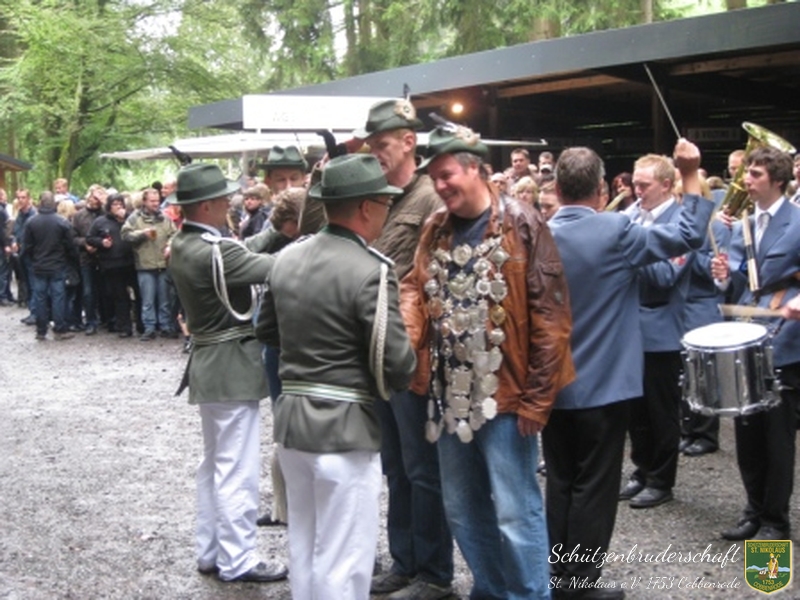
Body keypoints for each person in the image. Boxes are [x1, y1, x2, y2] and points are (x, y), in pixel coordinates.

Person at [401, 125, 575, 599]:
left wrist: (538, 399)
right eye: (435, 178)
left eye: (447, 175)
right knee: (461, 507)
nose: (440, 186)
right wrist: (409, 335)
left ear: (475, 169)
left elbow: (552, 317)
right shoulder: (435, 226)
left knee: (515, 509)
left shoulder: (522, 222)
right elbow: (414, 285)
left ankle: (529, 595)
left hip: (507, 395)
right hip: (449, 392)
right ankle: (493, 590)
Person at [545, 142, 713, 599]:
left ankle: (557, 574)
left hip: (552, 384)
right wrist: (690, 174)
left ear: (556, 188)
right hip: (603, 384)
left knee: (560, 481)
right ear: (601, 189)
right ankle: (580, 583)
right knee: (594, 486)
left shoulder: (537, 233)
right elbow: (688, 235)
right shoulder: (617, 229)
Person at [255, 153, 416, 599]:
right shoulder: (372, 269)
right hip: (346, 429)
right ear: (365, 207)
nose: (387, 210)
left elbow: (265, 330)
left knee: (305, 547)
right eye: (384, 203)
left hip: (293, 425)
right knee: (344, 558)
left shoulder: (286, 258)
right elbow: (398, 363)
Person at [350, 99, 453, 600]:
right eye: (371, 145)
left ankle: (434, 573)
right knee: (395, 466)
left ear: (409, 142)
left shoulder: (431, 196)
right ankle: (405, 562)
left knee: (422, 469)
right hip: (379, 351)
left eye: (383, 144)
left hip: (415, 353)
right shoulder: (380, 197)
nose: (376, 152)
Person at [168, 162, 287, 583]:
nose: (229, 203)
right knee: (237, 469)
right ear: (206, 205)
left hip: (209, 364)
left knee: (214, 465)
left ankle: (211, 551)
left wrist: (276, 229)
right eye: (222, 199)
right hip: (231, 366)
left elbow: (241, 251)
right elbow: (272, 268)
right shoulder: (215, 251)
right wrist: (315, 244)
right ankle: (239, 559)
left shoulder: (186, 242)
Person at [711, 146, 800, 541]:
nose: (746, 180)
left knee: (776, 437)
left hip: (784, 340)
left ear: (777, 180)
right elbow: (737, 284)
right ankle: (753, 510)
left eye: (756, 174)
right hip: (744, 336)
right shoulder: (742, 225)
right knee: (746, 433)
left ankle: (775, 521)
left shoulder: (797, 221)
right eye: (747, 172)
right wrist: (720, 276)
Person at [619, 153, 696, 509]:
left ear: (666, 185)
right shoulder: (632, 216)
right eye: (635, 184)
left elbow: (666, 275)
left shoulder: (681, 222)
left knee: (661, 410)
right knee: (635, 410)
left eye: (644, 185)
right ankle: (642, 468)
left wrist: (630, 249)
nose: (637, 191)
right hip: (629, 327)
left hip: (661, 330)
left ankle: (662, 479)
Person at [121, 187, 178, 340]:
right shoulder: (134, 218)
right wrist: (142, 234)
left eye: (157, 201)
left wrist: (170, 245)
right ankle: (149, 328)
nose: (156, 204)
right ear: (144, 202)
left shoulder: (165, 218)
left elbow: (175, 234)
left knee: (165, 299)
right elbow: (125, 235)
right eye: (152, 201)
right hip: (145, 265)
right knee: (148, 300)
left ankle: (165, 326)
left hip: (163, 263)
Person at [21, 191, 79, 341]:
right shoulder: (62, 222)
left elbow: (27, 246)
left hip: (39, 265)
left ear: (40, 202)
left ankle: (41, 330)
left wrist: (33, 260)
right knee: (58, 296)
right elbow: (71, 246)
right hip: (58, 265)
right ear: (54, 203)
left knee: (40, 297)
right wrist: (71, 259)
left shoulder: (31, 222)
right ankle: (59, 328)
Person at [87, 194, 138, 338]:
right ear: (109, 206)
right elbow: (90, 238)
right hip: (112, 264)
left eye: (121, 204)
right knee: (120, 297)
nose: (118, 207)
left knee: (138, 294)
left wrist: (126, 218)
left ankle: (142, 325)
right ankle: (124, 327)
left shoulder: (130, 218)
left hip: (131, 262)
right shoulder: (100, 221)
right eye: (115, 204)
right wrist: (101, 242)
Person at [72, 186, 106, 335]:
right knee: (88, 291)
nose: (95, 201)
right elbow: (72, 237)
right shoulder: (79, 216)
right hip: (86, 259)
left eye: (98, 198)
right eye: (94, 197)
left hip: (105, 257)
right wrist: (85, 244)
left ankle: (107, 318)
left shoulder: (106, 214)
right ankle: (91, 321)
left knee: (106, 290)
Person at [12, 189, 38, 323]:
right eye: (18, 197)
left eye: (23, 197)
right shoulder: (20, 215)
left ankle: (35, 313)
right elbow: (15, 232)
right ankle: (32, 310)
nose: (20, 200)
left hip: (31, 255)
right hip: (22, 255)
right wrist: (14, 241)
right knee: (27, 283)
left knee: (34, 284)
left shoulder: (34, 215)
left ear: (28, 198)